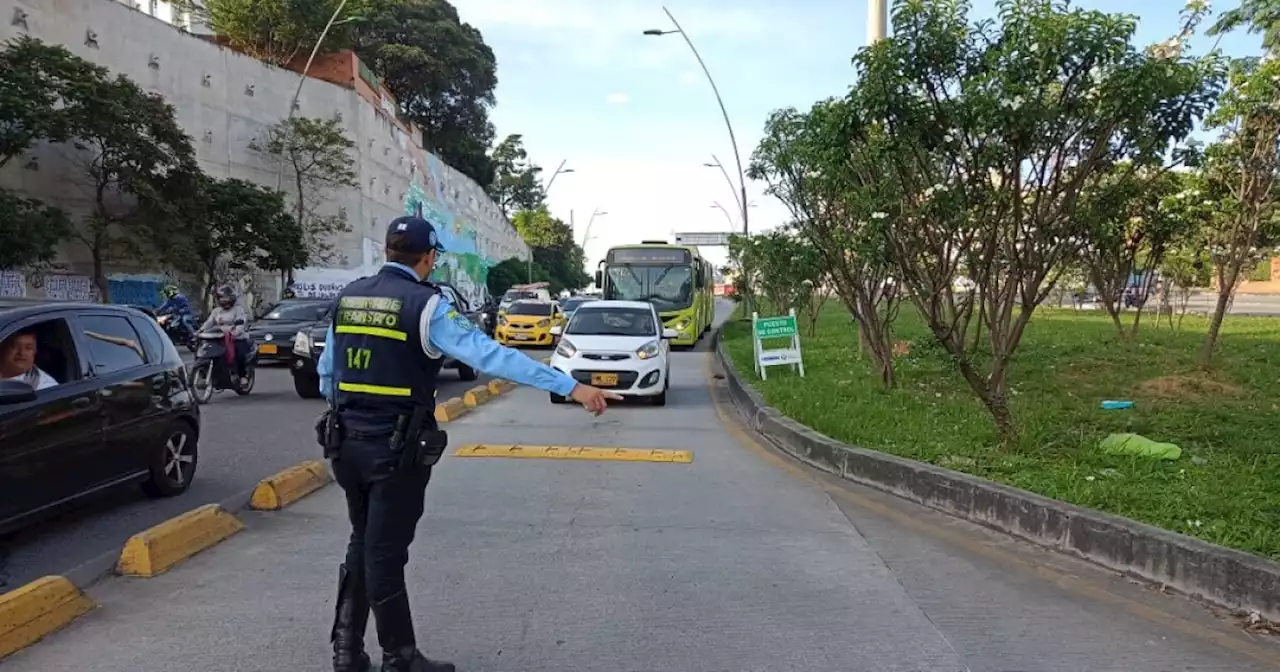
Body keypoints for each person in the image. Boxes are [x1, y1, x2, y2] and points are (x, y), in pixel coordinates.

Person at [316, 216, 620, 672]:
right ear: (429, 257)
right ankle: (399, 658)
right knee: (385, 552)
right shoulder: (426, 306)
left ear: (387, 250)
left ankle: (346, 652)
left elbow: (327, 370)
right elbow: (491, 355)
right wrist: (568, 385)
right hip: (394, 449)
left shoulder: (349, 297)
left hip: (344, 443)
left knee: (363, 541)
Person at [198, 285, 252, 386]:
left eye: (227, 298)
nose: (225, 300)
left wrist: (235, 332)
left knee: (240, 355)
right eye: (222, 298)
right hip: (218, 337)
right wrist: (200, 330)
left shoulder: (238, 310)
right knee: (204, 351)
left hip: (236, 338)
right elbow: (209, 322)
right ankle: (204, 374)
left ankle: (242, 376)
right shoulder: (216, 311)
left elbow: (241, 323)